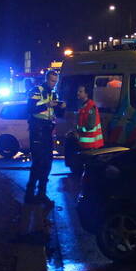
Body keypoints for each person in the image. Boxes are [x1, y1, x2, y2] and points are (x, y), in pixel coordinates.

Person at [24, 69, 65, 207]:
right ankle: (29, 195)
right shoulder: (36, 90)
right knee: (38, 163)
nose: (54, 84)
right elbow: (30, 108)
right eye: (52, 81)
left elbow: (57, 113)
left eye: (56, 81)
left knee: (47, 163)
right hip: (37, 130)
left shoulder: (54, 93)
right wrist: (47, 104)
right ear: (46, 79)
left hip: (47, 131)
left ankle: (41, 194)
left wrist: (61, 107)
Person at [75, 84, 104, 151]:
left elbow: (91, 126)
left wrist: (79, 130)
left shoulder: (90, 106)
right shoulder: (83, 105)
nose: (78, 93)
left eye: (80, 91)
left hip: (90, 144)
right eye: (78, 91)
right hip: (85, 143)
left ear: (86, 94)